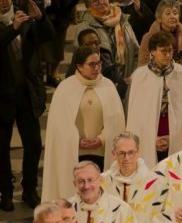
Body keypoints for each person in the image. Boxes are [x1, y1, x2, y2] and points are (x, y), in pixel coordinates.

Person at [42, 41, 127, 204]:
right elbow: (60, 126)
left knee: (99, 194)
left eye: (99, 64)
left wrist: (101, 139)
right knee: (78, 195)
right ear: (79, 66)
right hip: (74, 152)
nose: (97, 68)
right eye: (92, 64)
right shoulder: (65, 88)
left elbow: (115, 121)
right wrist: (77, 140)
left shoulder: (108, 86)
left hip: (102, 151)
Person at [0, 0, 46, 212]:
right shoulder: (15, 23)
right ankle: (5, 192)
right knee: (2, 148)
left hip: (27, 91)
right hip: (2, 96)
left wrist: (40, 19)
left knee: (34, 144)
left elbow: (48, 36)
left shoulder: (23, 16)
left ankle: (29, 188)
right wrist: (14, 28)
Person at [126, 32, 182, 162]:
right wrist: (150, 138)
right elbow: (136, 116)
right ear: (153, 51)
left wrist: (174, 138)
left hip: (177, 134)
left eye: (170, 51)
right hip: (150, 135)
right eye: (163, 51)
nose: (168, 55)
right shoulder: (140, 76)